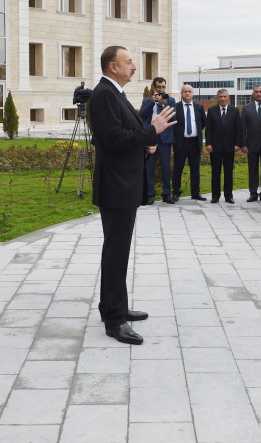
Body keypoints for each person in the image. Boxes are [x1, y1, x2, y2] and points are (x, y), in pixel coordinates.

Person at [89, 46, 175, 345]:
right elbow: (112, 139)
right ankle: (114, 319)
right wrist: (151, 131)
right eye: (129, 62)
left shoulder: (116, 94)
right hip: (116, 186)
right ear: (113, 66)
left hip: (123, 183)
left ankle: (116, 306)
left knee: (119, 250)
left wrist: (146, 141)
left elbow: (127, 134)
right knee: (116, 251)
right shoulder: (103, 95)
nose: (134, 67)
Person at [139, 76, 177, 204]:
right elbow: (142, 116)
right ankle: (150, 194)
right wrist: (152, 102)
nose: (161, 90)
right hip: (150, 138)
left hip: (165, 139)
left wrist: (162, 105)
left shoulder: (170, 100)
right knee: (149, 167)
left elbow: (173, 118)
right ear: (154, 88)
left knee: (166, 167)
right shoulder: (146, 100)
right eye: (158, 87)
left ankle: (167, 194)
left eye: (163, 87)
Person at [205, 88, 242, 204]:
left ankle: (228, 196)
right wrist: (208, 144)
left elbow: (239, 130)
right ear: (217, 98)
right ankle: (215, 196)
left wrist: (237, 144)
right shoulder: (211, 111)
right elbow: (208, 129)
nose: (222, 98)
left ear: (228, 98)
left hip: (230, 147)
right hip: (215, 147)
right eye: (220, 97)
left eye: (224, 96)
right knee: (215, 172)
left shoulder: (235, 111)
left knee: (228, 172)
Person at [171, 84, 206, 202]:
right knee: (178, 168)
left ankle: (195, 193)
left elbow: (203, 123)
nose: (187, 93)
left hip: (194, 143)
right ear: (181, 94)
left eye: (189, 91)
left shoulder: (199, 107)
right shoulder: (175, 107)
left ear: (193, 93)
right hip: (180, 142)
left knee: (195, 169)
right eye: (184, 91)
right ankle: (176, 192)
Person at [242, 85, 261, 203]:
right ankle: (253, 193)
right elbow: (242, 128)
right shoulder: (246, 108)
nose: (259, 94)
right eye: (256, 92)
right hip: (251, 145)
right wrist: (244, 145)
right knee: (252, 170)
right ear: (253, 94)